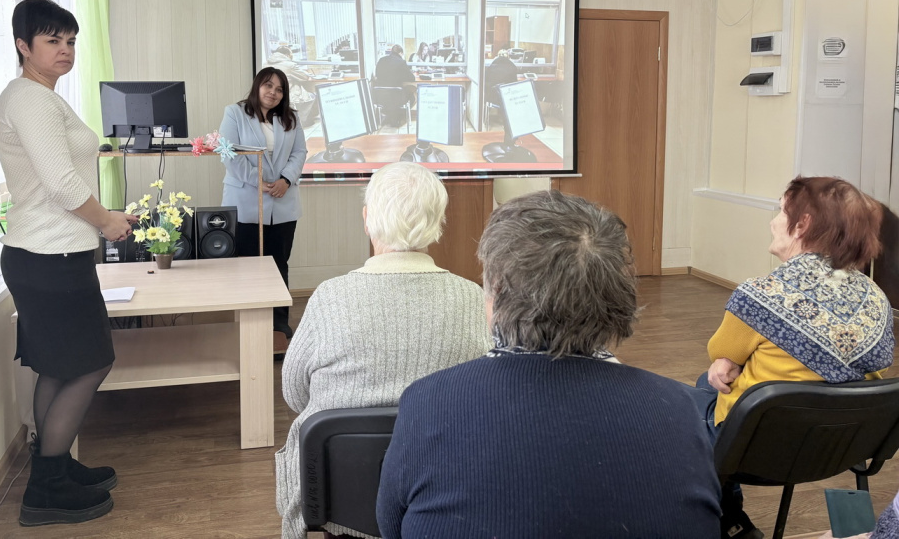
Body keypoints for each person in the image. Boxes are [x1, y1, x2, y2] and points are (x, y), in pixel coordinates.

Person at [376, 190, 722, 539]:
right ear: (617, 294)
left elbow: (391, 526)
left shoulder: (430, 401)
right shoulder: (679, 408)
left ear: (497, 291)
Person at [276, 162, 489, 539]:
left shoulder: (329, 297)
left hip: (341, 501)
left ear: (366, 219)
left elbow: (295, 395)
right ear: (438, 222)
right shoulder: (474, 299)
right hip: (444, 500)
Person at [0, 0, 136, 526]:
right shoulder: (31, 99)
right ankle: (46, 487)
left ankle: (52, 466)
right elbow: (61, 183)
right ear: (23, 46)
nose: (65, 50)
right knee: (92, 362)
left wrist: (102, 219)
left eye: (71, 40)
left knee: (59, 366)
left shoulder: (41, 97)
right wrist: (107, 222)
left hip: (48, 252)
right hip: (48, 255)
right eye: (52, 40)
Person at [693, 176, 894, 538]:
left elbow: (721, 353)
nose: (773, 222)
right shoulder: (877, 301)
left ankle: (730, 520)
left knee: (689, 404)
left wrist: (727, 360)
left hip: (756, 452)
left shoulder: (759, 296)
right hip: (841, 447)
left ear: (802, 224)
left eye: (780, 212)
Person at [219, 67, 307, 345]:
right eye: (268, 86)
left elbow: (299, 152)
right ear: (257, 86)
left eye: (279, 89)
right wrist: (257, 181)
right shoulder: (235, 113)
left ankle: (279, 322)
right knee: (247, 265)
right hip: (245, 199)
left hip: (283, 200)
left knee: (279, 263)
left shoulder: (291, 118)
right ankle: (248, 322)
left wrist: (286, 180)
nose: (273, 93)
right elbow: (227, 152)